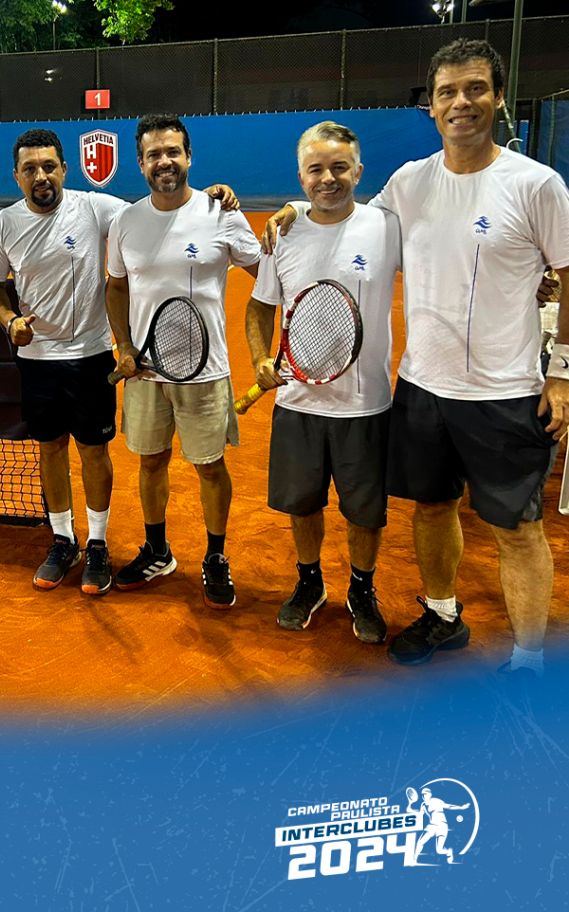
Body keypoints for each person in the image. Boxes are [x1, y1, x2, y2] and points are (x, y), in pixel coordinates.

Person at [261, 40, 569, 678]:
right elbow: (342, 217)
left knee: (518, 530)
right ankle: (443, 614)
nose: (461, 103)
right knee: (432, 508)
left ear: (499, 97)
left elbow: (567, 274)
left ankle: (529, 661)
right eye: (447, 92)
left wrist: (562, 372)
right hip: (422, 386)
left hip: (506, 391)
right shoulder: (408, 183)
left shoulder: (537, 184)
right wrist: (294, 209)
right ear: (430, 105)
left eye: (476, 88)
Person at [0, 128, 240, 595]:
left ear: (64, 169)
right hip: (37, 358)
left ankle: (97, 544)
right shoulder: (4, 223)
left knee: (93, 451)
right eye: (29, 169)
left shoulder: (97, 208)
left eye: (49, 166)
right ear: (15, 176)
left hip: (92, 354)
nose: (41, 176)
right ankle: (63, 540)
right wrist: (8, 319)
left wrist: (210, 196)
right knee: (50, 449)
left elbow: (162, 207)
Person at [245, 122, 400, 643]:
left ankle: (362, 588)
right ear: (301, 177)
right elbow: (260, 307)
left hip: (365, 404)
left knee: (364, 512)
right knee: (303, 504)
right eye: (316, 170)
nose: (328, 179)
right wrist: (259, 358)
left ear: (359, 171)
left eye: (339, 168)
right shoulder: (283, 235)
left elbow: (446, 264)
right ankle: (309, 581)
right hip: (298, 401)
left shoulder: (386, 226)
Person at [106, 114, 260, 607]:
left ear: (189, 157)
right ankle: (157, 550)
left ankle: (215, 556)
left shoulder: (220, 213)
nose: (164, 161)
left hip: (204, 371)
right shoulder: (126, 221)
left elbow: (267, 274)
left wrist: (294, 213)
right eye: (154, 154)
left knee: (209, 466)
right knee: (150, 462)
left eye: (173, 151)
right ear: (140, 163)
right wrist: (124, 346)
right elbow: (116, 287)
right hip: (146, 373)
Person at [414, 788, 470, 865]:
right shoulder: (423, 805)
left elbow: (449, 806)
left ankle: (448, 852)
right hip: (431, 826)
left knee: (439, 850)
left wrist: (461, 807)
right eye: (423, 795)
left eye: (425, 794)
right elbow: (420, 815)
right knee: (419, 842)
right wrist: (410, 810)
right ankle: (414, 860)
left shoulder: (436, 801)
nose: (424, 796)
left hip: (442, 826)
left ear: (430, 795)